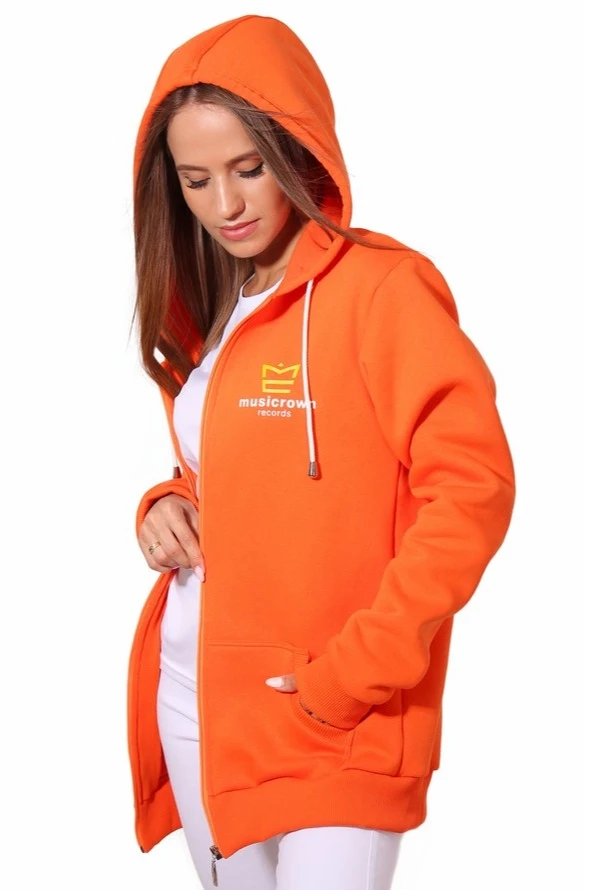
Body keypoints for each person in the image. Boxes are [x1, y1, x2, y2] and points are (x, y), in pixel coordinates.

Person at [126, 13, 516, 890]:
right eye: (195, 180)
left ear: (299, 152)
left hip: (336, 707)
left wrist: (361, 668)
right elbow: (235, 471)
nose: (225, 206)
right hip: (197, 695)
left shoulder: (381, 291)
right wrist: (167, 503)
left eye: (248, 168)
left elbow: (472, 489)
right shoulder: (220, 304)